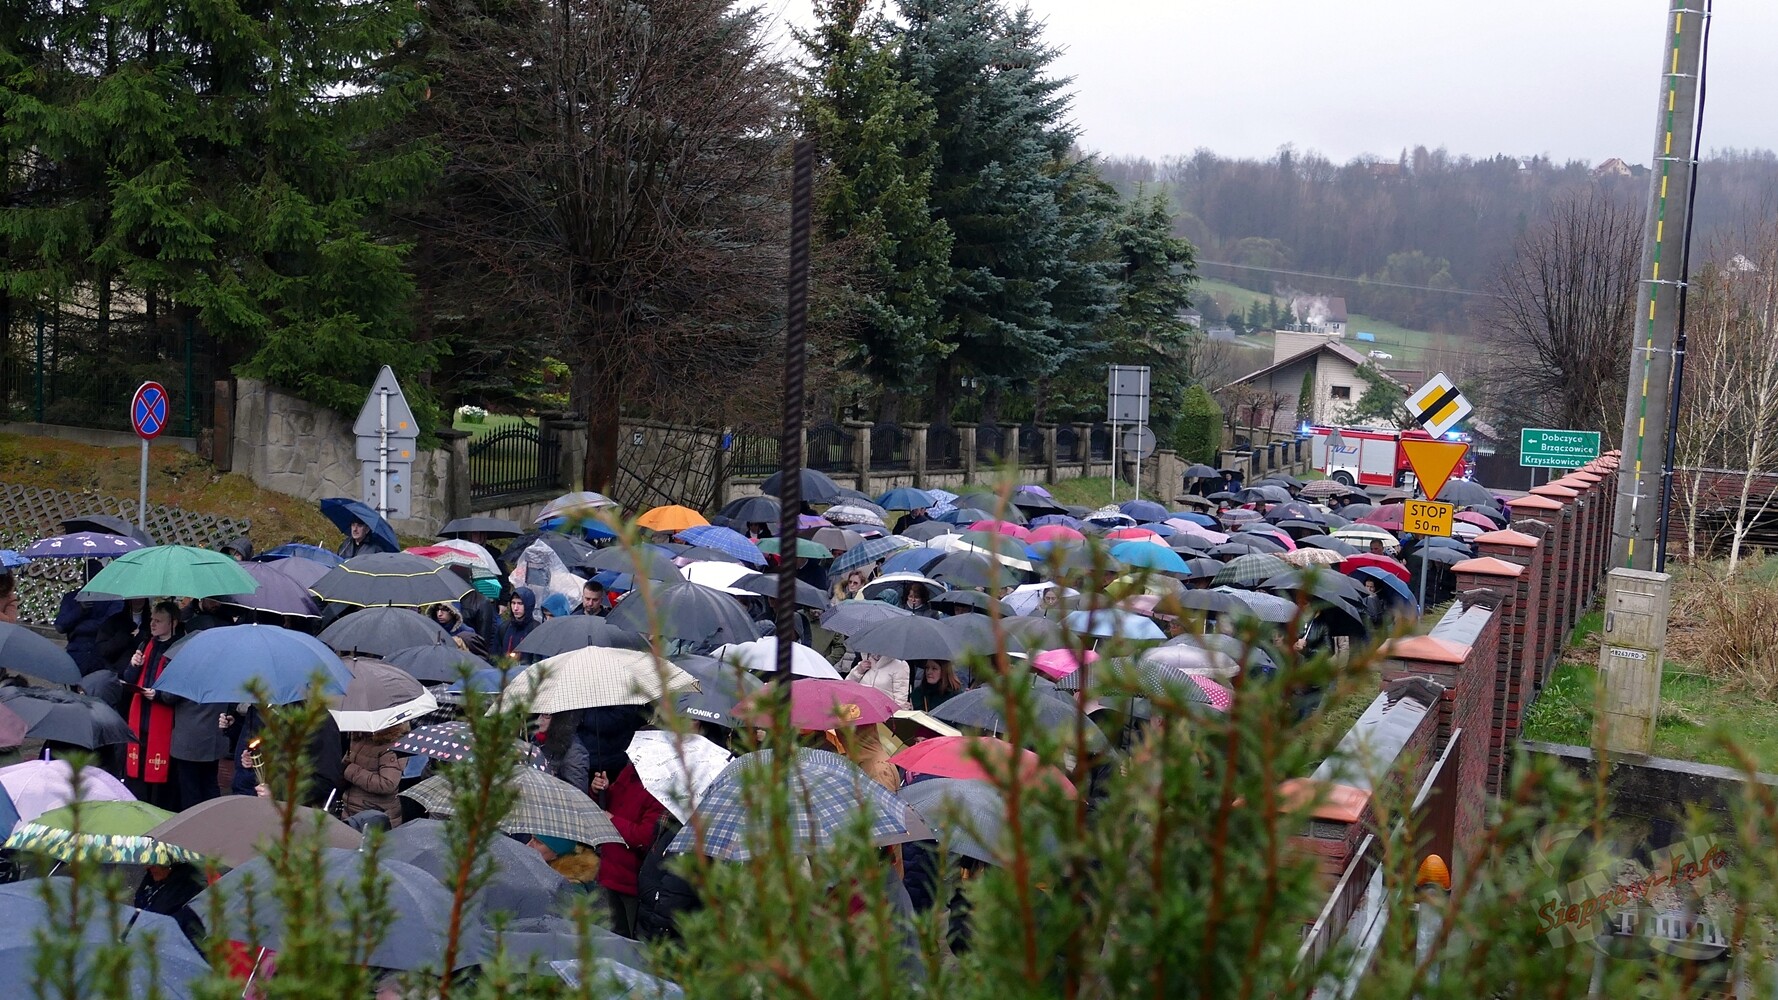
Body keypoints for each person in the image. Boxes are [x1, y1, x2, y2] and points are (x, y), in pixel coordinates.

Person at [593, 750, 666, 938]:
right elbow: (611, 804)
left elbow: (645, 837)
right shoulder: (629, 772)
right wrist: (600, 791)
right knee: (613, 936)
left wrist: (612, 820)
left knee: (631, 940)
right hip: (609, 872)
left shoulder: (659, 789)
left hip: (631, 882)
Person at [119, 602, 184, 809]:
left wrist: (158, 695)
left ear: (173, 623)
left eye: (158, 621)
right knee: (136, 777)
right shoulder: (145, 644)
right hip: (139, 721)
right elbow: (129, 678)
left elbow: (178, 692)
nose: (152, 624)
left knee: (159, 785)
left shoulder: (179, 650)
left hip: (162, 723)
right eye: (152, 620)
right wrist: (133, 665)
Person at [55, 561, 119, 676]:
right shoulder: (71, 597)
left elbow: (110, 623)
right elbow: (60, 626)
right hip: (77, 654)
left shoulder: (111, 598)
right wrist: (80, 610)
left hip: (102, 656)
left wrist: (78, 628)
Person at [341, 723, 409, 826]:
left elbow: (388, 784)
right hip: (350, 810)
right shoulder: (360, 737)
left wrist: (350, 770)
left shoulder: (391, 746)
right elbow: (348, 762)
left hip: (375, 815)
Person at [133, 863, 204, 945]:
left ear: (172, 864)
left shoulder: (185, 889)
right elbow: (140, 904)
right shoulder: (153, 880)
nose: (148, 867)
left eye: (156, 863)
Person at [535, 711, 589, 791]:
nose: (538, 720)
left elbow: (577, 793)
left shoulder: (574, 751)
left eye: (546, 715)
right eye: (540, 714)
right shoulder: (540, 742)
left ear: (560, 719)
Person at [846, 653, 911, 710]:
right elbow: (847, 686)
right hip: (860, 710)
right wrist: (859, 670)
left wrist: (898, 714)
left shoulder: (900, 665)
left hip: (886, 714)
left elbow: (900, 696)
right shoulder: (865, 660)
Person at [496, 587, 539, 657]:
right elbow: (495, 655)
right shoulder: (504, 627)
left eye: (520, 603)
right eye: (513, 603)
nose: (515, 608)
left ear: (528, 605)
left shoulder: (536, 630)